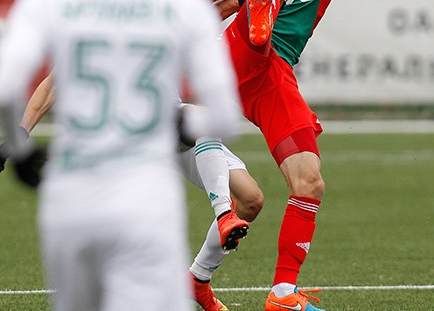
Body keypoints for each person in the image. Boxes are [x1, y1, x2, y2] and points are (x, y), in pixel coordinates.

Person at [199, 0, 434, 311]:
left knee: (309, 181)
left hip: (274, 75)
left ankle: (283, 294)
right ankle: (260, 8)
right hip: (233, 59)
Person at [0, 0, 243, 311]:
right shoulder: (182, 4)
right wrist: (175, 123)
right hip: (145, 198)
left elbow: (6, 87)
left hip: (70, 195)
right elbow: (225, 117)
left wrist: (21, 150)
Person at [0, 75, 262, 311]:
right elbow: (51, 83)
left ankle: (197, 279)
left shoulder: (169, 22)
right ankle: (224, 213)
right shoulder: (92, 28)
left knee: (251, 200)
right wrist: (20, 135)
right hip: (130, 137)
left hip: (173, 126)